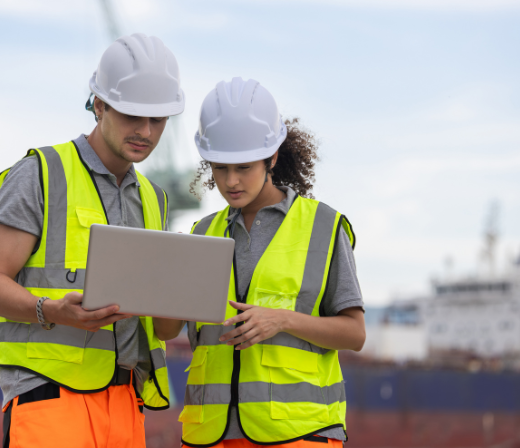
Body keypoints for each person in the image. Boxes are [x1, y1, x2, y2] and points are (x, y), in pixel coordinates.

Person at [0, 33, 184, 448]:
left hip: (126, 401)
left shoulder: (154, 199)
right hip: (50, 398)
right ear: (99, 104)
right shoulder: (41, 174)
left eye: (157, 120)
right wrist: (52, 310)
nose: (145, 131)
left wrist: (186, 297)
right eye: (131, 116)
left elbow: (162, 330)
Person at [154, 77, 366, 447]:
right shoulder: (202, 233)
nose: (231, 181)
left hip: (297, 433)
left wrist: (280, 320)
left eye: (244, 168)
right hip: (210, 434)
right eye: (219, 169)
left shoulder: (323, 228)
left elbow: (355, 333)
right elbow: (167, 330)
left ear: (273, 157)